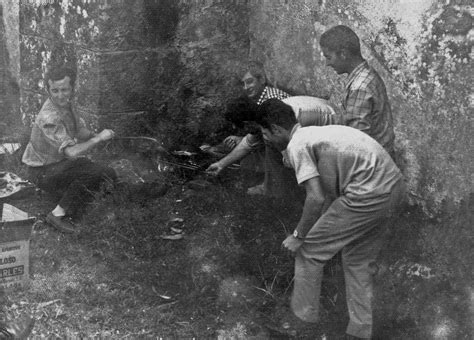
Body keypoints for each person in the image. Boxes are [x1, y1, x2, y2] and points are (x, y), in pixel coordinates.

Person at [256, 104, 405, 339]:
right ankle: (359, 332)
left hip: (368, 193)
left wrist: (298, 236)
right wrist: (313, 227)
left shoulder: (297, 144)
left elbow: (315, 197)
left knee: (308, 252)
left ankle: (301, 326)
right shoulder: (313, 133)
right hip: (392, 186)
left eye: (265, 134)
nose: (266, 140)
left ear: (276, 130)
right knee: (357, 261)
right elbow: (327, 197)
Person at [22, 66, 117, 233]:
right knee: (92, 172)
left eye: (64, 90)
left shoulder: (67, 104)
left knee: (107, 172)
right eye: (55, 90)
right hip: (42, 171)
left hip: (58, 164)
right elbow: (71, 153)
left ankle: (86, 203)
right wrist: (98, 138)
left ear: (72, 88)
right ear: (48, 89)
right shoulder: (49, 116)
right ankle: (57, 214)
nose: (60, 95)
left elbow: (79, 131)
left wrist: (97, 135)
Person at [206, 95, 336, 197]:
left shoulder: (291, 120)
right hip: (314, 125)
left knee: (283, 149)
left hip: (330, 128)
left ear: (247, 123)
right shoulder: (264, 116)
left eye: (242, 126)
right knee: (271, 141)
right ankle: (272, 188)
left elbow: (297, 151)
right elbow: (248, 143)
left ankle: (295, 192)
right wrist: (221, 164)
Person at [303, 25, 395, 156]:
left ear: (343, 54)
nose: (327, 63)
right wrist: (320, 119)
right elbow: (352, 119)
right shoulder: (365, 74)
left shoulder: (360, 86)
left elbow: (356, 138)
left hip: (374, 161)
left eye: (328, 57)